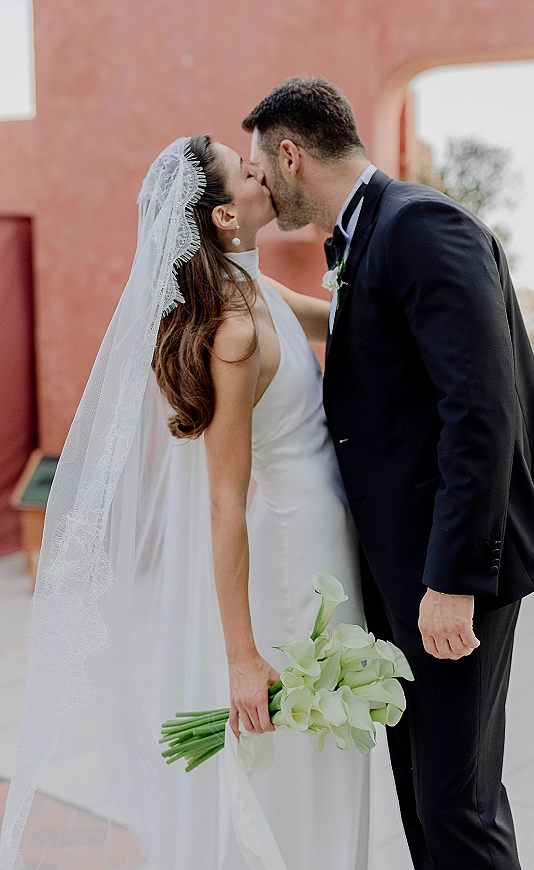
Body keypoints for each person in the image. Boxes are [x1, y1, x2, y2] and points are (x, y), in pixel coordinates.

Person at [0, 134, 376, 870]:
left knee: (328, 762)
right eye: (244, 170)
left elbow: (342, 323)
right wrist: (240, 655)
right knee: (300, 770)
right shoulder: (232, 334)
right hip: (294, 565)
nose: (260, 169)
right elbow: (223, 502)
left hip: (325, 549)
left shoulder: (259, 294)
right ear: (222, 219)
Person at [243, 76, 534, 870]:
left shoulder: (421, 225)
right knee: (422, 797)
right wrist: (247, 290)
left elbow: (482, 411)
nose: (260, 184)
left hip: (453, 568)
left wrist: (453, 579)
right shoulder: (368, 233)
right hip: (409, 570)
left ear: (290, 155)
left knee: (456, 808)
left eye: (261, 168)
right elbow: (379, 346)